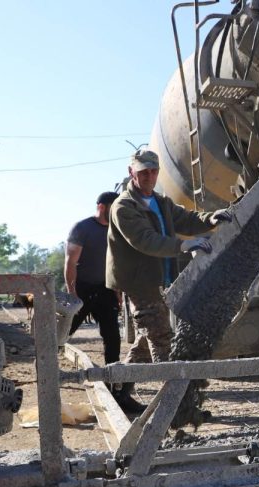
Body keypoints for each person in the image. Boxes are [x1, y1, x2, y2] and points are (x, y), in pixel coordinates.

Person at [106, 148, 231, 408]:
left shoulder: (161, 202)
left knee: (146, 341)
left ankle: (118, 391)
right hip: (139, 283)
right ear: (132, 173)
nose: (149, 176)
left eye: (153, 171)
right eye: (143, 172)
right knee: (162, 339)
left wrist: (211, 219)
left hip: (158, 279)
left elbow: (185, 219)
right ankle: (174, 407)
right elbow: (145, 240)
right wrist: (184, 246)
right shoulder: (123, 207)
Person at [64, 191, 141, 409]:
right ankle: (47, 373)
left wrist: (118, 291)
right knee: (63, 333)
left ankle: (114, 385)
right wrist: (72, 291)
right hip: (81, 289)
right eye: (112, 206)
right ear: (101, 207)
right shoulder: (82, 228)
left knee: (112, 337)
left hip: (106, 289)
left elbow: (118, 263)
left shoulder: (116, 230)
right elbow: (70, 262)